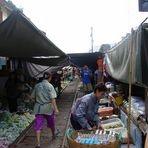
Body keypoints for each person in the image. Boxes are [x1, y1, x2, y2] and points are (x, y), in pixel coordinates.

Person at [31, 72, 59, 148]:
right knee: (51, 123)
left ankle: (38, 144)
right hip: (48, 108)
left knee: (38, 126)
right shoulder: (50, 86)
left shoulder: (37, 85)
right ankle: (53, 135)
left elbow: (32, 97)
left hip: (38, 108)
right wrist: (56, 109)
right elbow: (53, 99)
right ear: (50, 78)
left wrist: (38, 101)